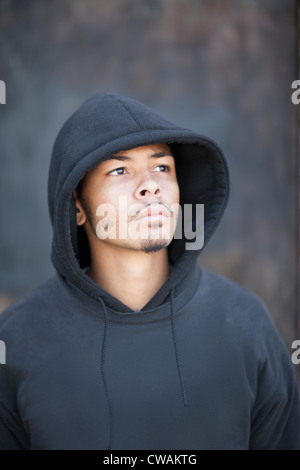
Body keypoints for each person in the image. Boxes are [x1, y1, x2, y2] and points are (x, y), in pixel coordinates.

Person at [0, 93, 299, 450]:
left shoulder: (245, 325)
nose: (150, 185)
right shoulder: (18, 341)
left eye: (162, 167)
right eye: (120, 170)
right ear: (77, 206)